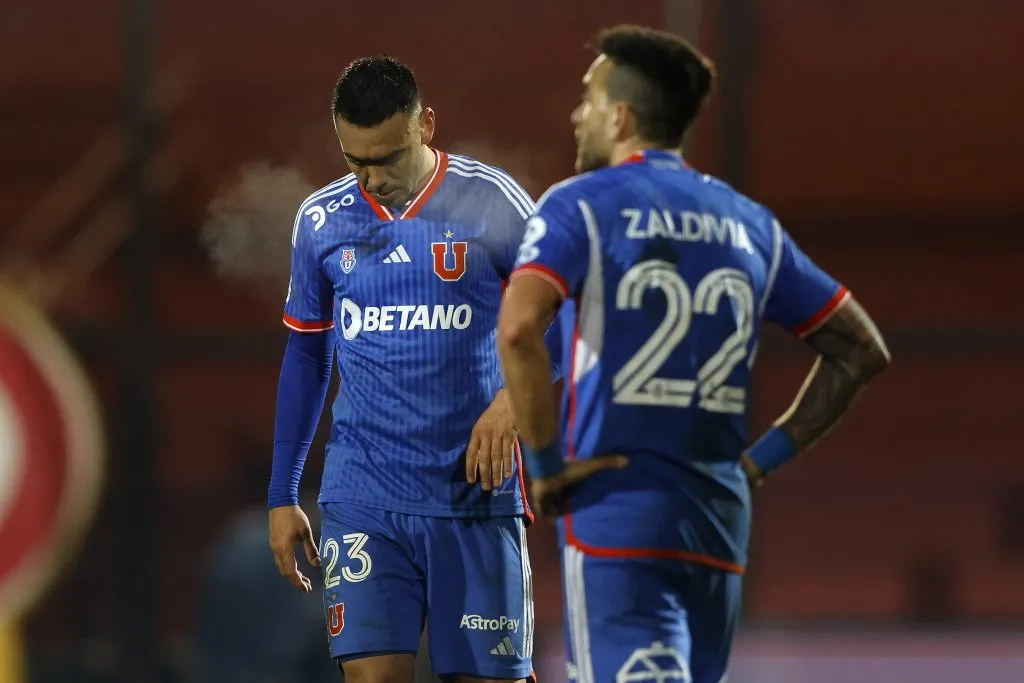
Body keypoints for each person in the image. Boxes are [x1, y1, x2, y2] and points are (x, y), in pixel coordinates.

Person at [497, 24, 891, 683]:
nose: (577, 113)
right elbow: (861, 349)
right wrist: (758, 462)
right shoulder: (750, 222)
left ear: (620, 117)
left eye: (589, 98)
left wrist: (544, 466)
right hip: (716, 520)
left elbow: (517, 330)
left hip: (618, 509)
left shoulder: (580, 206)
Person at [268, 56, 559, 683]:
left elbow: (565, 311)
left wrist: (513, 401)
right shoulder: (321, 222)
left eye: (386, 159)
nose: (371, 179)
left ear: (424, 125)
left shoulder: (493, 201)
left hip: (473, 493)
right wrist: (283, 493)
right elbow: (307, 356)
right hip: (363, 497)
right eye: (355, 160)